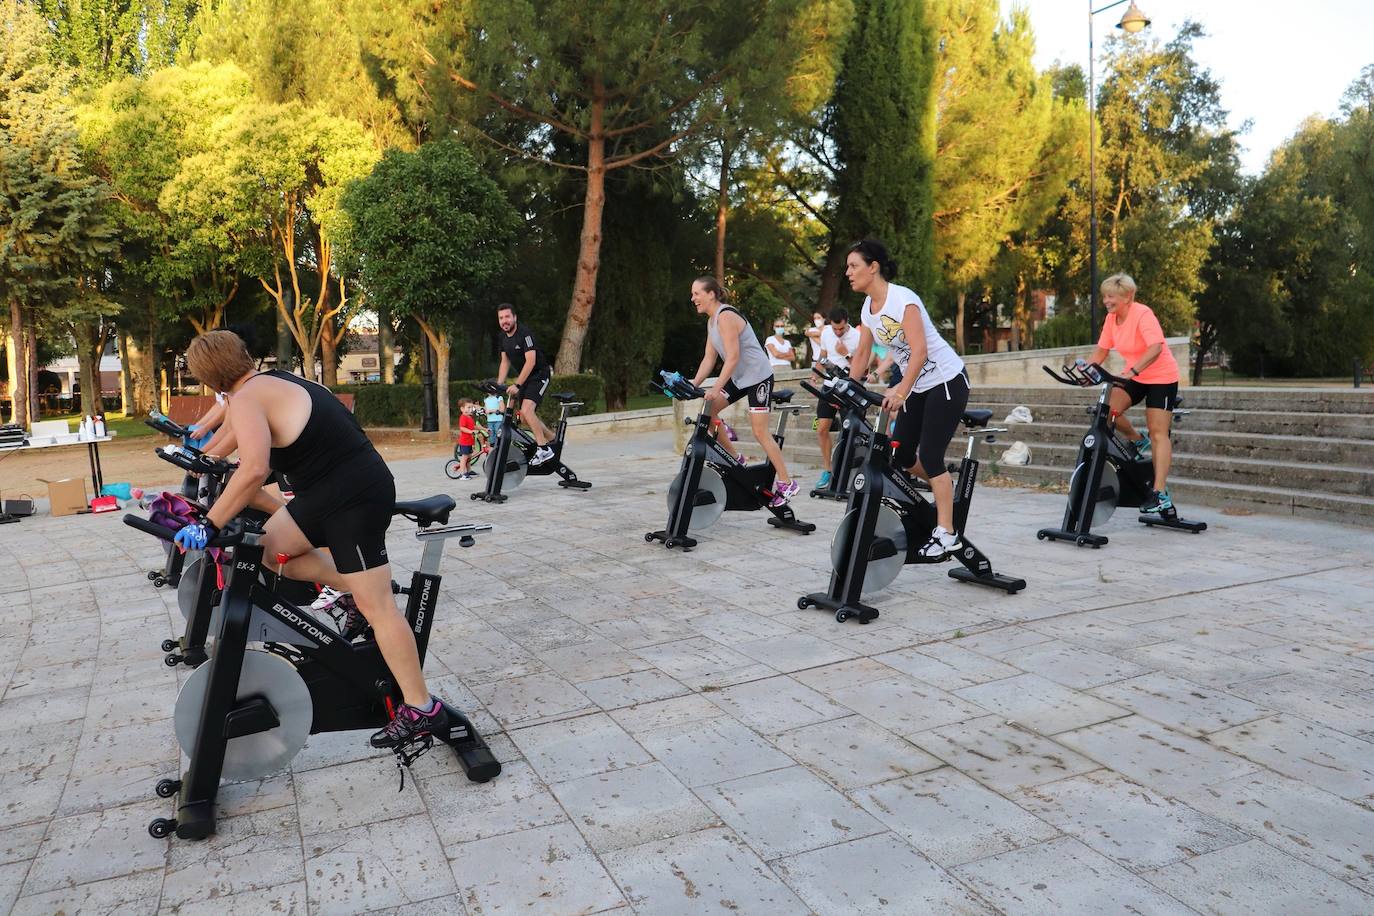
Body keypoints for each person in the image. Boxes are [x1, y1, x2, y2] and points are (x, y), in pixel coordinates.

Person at [177, 330, 448, 750]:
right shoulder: (270, 383)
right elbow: (235, 444)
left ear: (209, 378)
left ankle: (422, 708)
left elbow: (252, 470)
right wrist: (206, 459)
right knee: (270, 548)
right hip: (331, 493)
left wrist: (209, 524)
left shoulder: (247, 398)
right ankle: (349, 591)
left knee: (380, 607)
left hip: (353, 496)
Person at [845, 239, 969, 559]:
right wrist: (847, 386)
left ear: (873, 268)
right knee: (900, 456)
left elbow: (920, 351)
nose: (848, 272)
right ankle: (945, 490)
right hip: (916, 385)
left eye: (853, 266)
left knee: (929, 455)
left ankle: (947, 532)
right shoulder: (868, 309)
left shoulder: (903, 300)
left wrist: (900, 391)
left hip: (946, 380)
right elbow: (862, 353)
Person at [688, 276, 799, 505]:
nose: (693, 298)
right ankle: (735, 458)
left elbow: (733, 356)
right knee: (708, 412)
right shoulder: (712, 322)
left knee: (760, 432)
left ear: (710, 294)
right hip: (739, 378)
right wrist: (694, 385)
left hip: (758, 376)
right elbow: (709, 358)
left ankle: (788, 483)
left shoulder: (726, 316)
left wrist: (715, 387)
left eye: (696, 293)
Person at [1078, 273, 1180, 513]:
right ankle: (1136, 439)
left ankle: (1159, 493)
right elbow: (1101, 352)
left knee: (1159, 432)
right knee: (1106, 411)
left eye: (1111, 296)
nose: (1106, 301)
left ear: (1128, 297)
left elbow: (1156, 347)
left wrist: (1132, 370)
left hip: (1161, 377)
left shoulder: (1142, 314)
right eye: (1104, 296)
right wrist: (1085, 373)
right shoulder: (1111, 319)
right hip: (1134, 376)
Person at [495, 304, 555, 466]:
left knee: (527, 410)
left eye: (507, 317)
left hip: (540, 374)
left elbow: (531, 361)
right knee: (526, 417)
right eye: (501, 318)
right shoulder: (502, 337)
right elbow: (505, 361)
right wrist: (498, 385)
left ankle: (543, 449)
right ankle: (552, 439)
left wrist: (517, 385)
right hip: (527, 377)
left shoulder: (524, 333)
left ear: (515, 317)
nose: (504, 321)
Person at [813, 307, 861, 490]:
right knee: (821, 429)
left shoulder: (857, 337)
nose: (838, 332)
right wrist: (815, 373)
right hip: (829, 385)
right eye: (835, 329)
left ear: (847, 321)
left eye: (841, 329)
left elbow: (864, 369)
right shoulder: (826, 333)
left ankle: (845, 473)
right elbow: (822, 356)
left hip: (849, 386)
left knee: (849, 433)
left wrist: (846, 353)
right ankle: (827, 470)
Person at [454, 399, 486, 480]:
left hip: (469, 442)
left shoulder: (470, 418)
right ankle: (462, 474)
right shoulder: (463, 417)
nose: (470, 409)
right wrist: (470, 431)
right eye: (468, 407)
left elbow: (475, 426)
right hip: (464, 442)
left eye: (471, 407)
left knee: (469, 457)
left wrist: (484, 429)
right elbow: (462, 428)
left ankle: (469, 471)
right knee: (464, 458)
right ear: (462, 409)